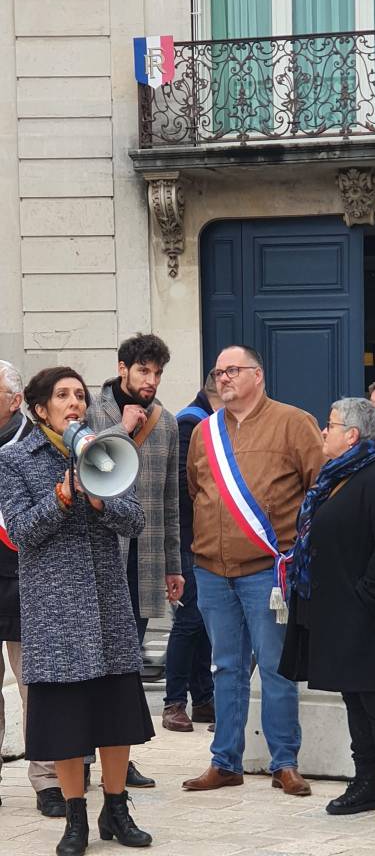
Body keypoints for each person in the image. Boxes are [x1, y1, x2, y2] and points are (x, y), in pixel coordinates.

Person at [0, 366, 153, 856]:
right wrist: (62, 497)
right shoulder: (14, 459)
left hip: (106, 605)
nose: (74, 403)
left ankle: (116, 808)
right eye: (62, 395)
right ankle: (75, 816)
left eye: (80, 396)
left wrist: (103, 502)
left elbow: (136, 520)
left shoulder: (104, 449)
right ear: (39, 408)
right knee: (66, 720)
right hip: (55, 613)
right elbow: (20, 531)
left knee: (115, 714)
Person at [183, 345, 323, 796]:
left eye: (232, 370)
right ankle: (225, 761)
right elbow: (196, 491)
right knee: (225, 668)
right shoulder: (204, 432)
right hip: (212, 570)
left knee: (276, 668)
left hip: (268, 571)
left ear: (257, 375)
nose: (223, 378)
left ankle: (285, 763)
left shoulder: (293, 422)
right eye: (218, 372)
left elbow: (320, 488)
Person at [280, 397, 375, 823]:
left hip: (372, 615)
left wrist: (367, 597)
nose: (324, 431)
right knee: (354, 697)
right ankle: (367, 782)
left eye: (331, 424)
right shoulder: (336, 477)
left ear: (353, 435)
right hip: (338, 611)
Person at [88, 332, 184, 789]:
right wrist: (120, 430)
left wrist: (173, 565)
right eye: (144, 370)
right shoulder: (90, 412)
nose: (151, 380)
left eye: (158, 372)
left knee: (126, 668)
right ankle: (79, 758)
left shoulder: (167, 423)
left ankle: (118, 760)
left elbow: (170, 500)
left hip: (142, 563)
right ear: (122, 368)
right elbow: (82, 465)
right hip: (94, 560)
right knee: (90, 665)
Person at [0, 361, 67, 817]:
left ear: (15, 400)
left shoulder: (37, 444)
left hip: (27, 577)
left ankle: (49, 779)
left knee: (36, 686)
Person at [162, 374, 219, 732]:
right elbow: (184, 489)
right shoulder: (191, 423)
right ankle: (174, 702)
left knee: (200, 620)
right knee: (189, 620)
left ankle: (202, 699)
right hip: (187, 538)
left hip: (202, 538)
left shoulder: (204, 420)